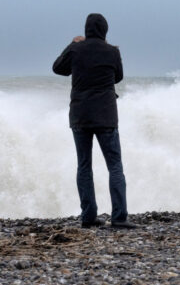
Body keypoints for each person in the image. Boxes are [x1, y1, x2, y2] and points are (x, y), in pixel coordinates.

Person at [52, 13, 137, 229]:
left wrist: (72, 44)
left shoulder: (76, 49)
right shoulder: (112, 51)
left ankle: (88, 216)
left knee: (84, 165)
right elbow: (118, 77)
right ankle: (119, 217)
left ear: (87, 29)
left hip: (80, 114)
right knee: (115, 166)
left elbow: (58, 68)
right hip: (106, 115)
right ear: (105, 30)